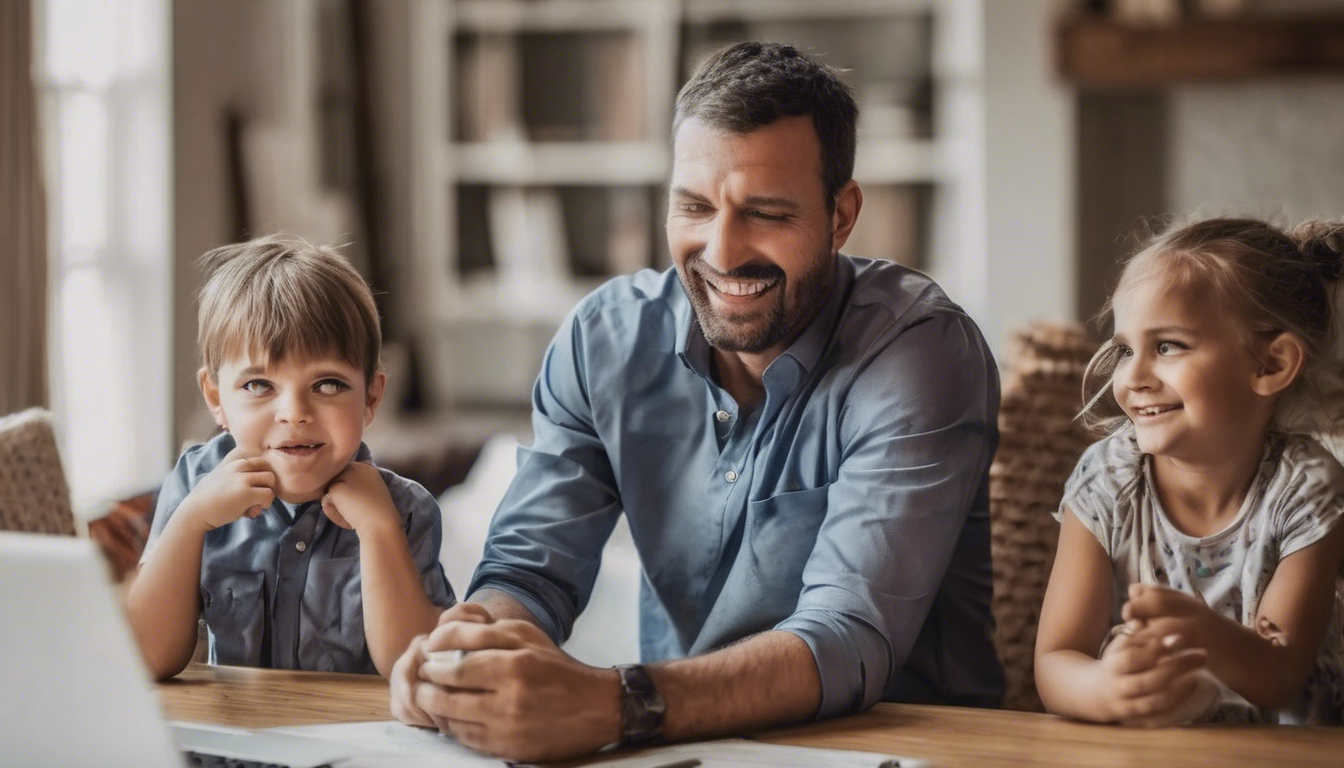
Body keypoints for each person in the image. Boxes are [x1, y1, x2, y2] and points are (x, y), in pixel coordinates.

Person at [389, 42, 1004, 762]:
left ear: (842, 216)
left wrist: (616, 702)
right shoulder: (604, 341)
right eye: (694, 206)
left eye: (766, 213)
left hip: (905, 751)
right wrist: (469, 655)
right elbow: (530, 571)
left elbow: (847, 637)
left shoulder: (920, 352)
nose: (721, 248)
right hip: (685, 747)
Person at [1035, 217, 1344, 726]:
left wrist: (1205, 637)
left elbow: (1281, 676)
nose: (1131, 377)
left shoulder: (1307, 488)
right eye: (1125, 350)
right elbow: (1055, 660)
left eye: (1168, 346)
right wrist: (1105, 689)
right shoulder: (1107, 481)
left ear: (1270, 364)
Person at [127, 234, 455, 679]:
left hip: (358, 740)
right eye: (259, 386)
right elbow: (146, 659)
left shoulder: (407, 511)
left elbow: (413, 669)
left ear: (372, 396)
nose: (295, 414)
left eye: (328, 385)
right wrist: (191, 521)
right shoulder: (194, 485)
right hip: (242, 738)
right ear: (215, 396)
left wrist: (379, 530)